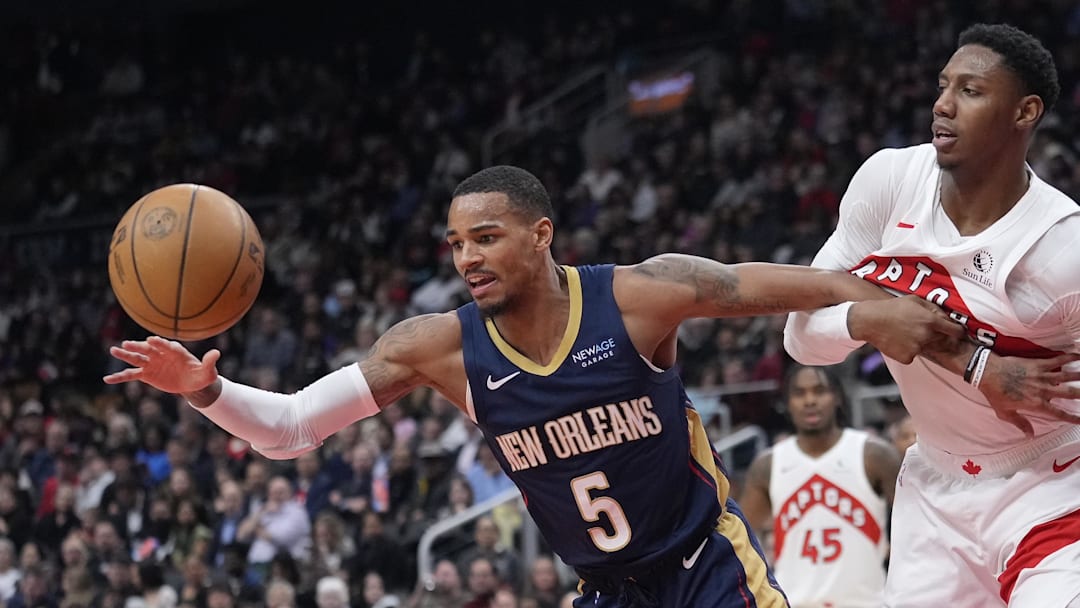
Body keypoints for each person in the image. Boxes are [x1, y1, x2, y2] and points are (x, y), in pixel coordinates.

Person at [105, 165, 934, 607]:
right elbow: (291, 428)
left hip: (703, 570)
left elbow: (786, 285)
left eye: (487, 237)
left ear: (542, 235)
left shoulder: (639, 296)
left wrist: (894, 307)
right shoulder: (437, 348)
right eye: (456, 243)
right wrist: (206, 391)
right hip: (603, 592)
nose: (467, 257)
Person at [784, 24, 1080, 607]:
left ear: (1025, 112)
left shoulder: (1061, 248)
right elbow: (801, 335)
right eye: (943, 86)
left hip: (1049, 489)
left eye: (970, 91)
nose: (942, 104)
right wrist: (870, 320)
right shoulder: (892, 181)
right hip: (934, 490)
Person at [739, 364, 900, 607]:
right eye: (799, 393)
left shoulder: (874, 455)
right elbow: (741, 542)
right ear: (787, 403)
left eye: (820, 391)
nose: (810, 401)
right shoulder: (768, 465)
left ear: (837, 397)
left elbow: (914, 530)